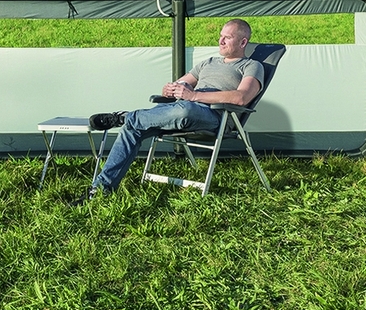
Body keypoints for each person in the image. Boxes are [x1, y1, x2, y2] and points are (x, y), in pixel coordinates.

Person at [82, 19, 263, 200]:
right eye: (220, 36)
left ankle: (125, 117)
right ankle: (100, 189)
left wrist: (193, 96)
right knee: (133, 128)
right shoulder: (208, 62)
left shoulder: (251, 66)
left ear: (243, 42)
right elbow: (181, 83)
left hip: (215, 115)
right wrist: (169, 90)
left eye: (227, 37)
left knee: (184, 110)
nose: (221, 41)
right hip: (180, 109)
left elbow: (241, 97)